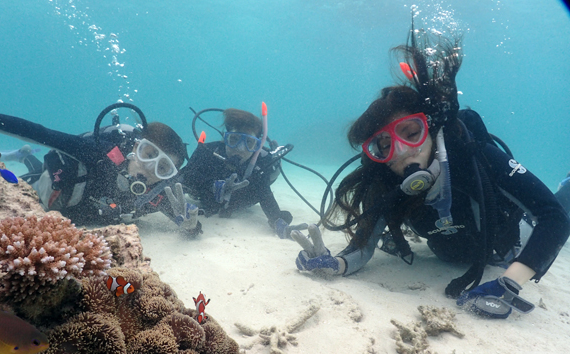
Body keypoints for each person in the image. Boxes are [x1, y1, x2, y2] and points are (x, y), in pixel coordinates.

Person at [292, 25, 570, 319]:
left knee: (562, 205)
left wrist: (510, 282)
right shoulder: (387, 183)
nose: (402, 150)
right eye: (385, 145)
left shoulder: (474, 156)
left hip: (510, 243)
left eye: (411, 133)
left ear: (430, 128)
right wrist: (336, 264)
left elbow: (553, 218)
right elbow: (362, 247)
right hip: (449, 254)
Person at [0, 105, 202, 235]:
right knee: (29, 182)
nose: (149, 168)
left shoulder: (159, 194)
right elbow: (41, 133)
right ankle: (24, 156)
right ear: (136, 146)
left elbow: (187, 224)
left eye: (163, 168)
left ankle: (24, 156)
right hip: (56, 192)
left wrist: (190, 227)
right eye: (148, 154)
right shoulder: (97, 153)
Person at [177, 107, 306, 238]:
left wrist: (277, 220)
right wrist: (211, 185)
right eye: (234, 139)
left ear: (257, 145)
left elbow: (264, 191)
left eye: (249, 142)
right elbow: (184, 178)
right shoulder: (207, 152)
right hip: (206, 198)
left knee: (260, 178)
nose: (240, 148)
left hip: (241, 200)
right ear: (224, 138)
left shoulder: (260, 162)